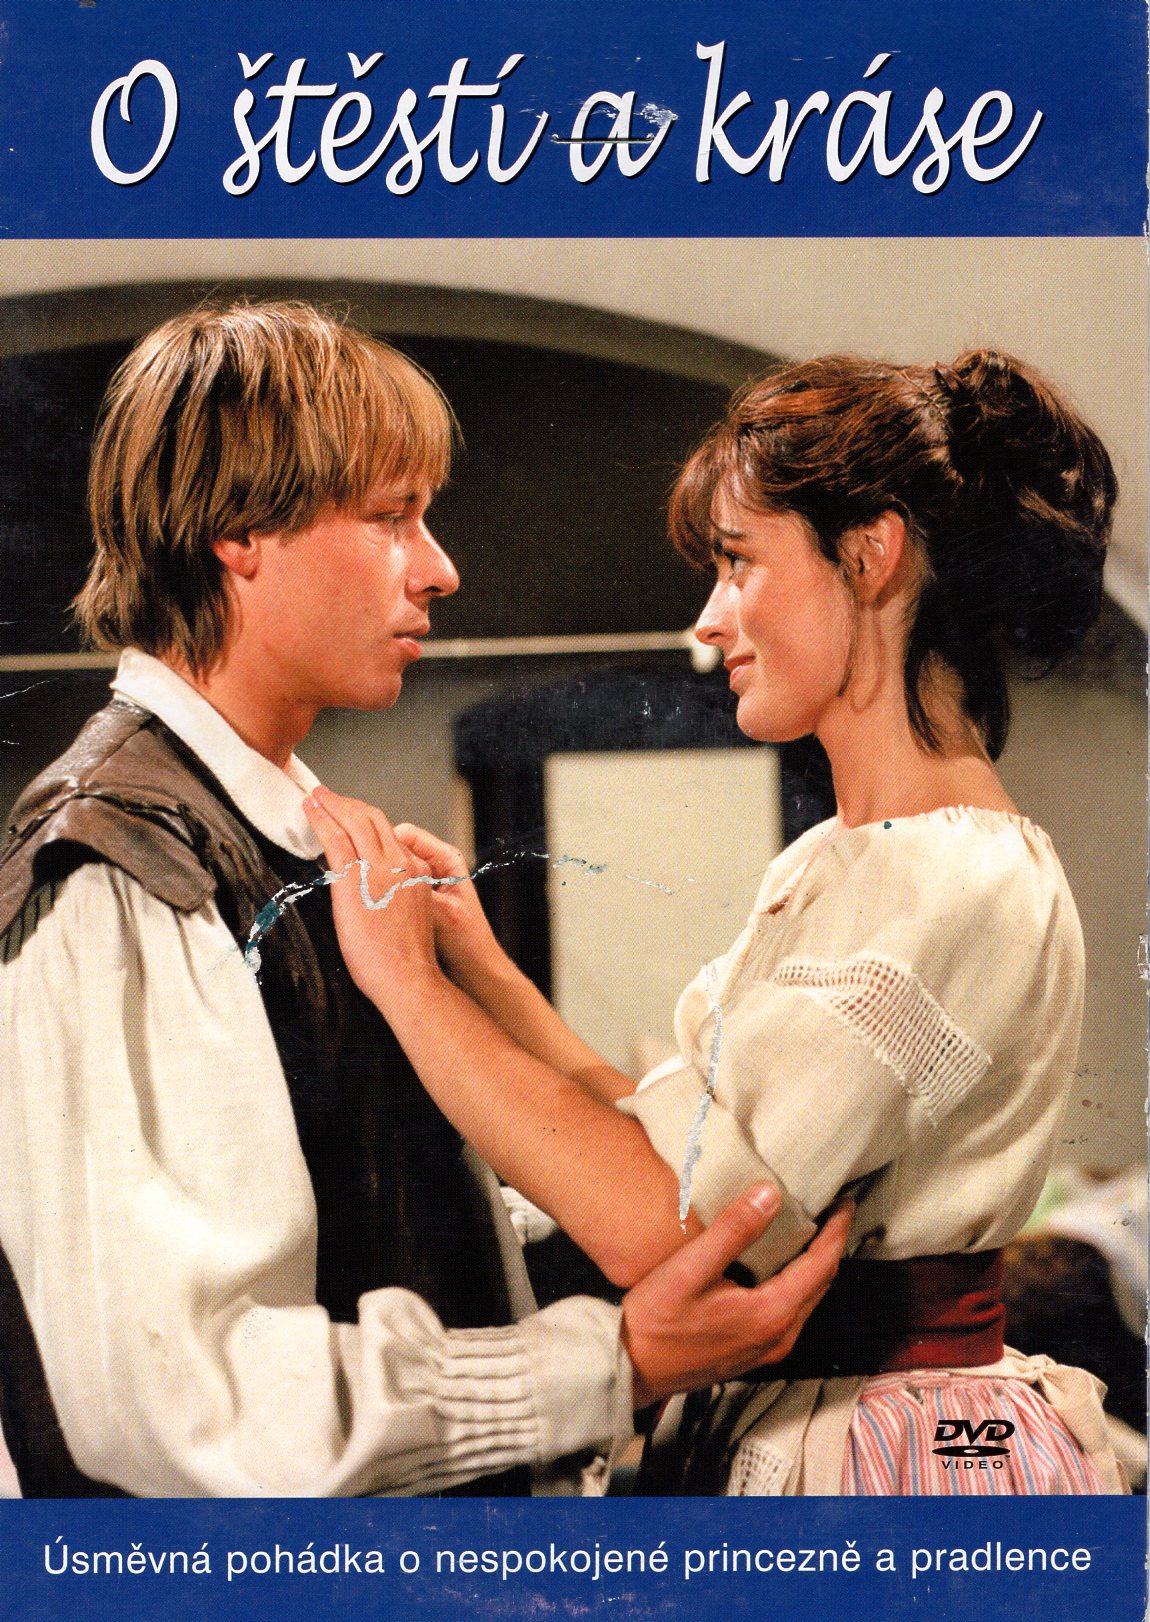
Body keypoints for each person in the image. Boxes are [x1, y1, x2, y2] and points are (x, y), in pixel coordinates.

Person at [0, 301, 851, 1499]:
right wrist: (608, 1358)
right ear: (240, 532)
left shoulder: (291, 838)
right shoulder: (120, 864)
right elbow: (191, 1402)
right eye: (390, 517)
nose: (440, 567)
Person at [302, 349, 1128, 1494]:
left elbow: (673, 1221)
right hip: (822, 1419)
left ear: (871, 553)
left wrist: (404, 984)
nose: (711, 618)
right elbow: (671, 1143)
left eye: (739, 562)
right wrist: (481, 967)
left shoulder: (946, 875)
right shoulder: (845, 858)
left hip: (893, 1456)